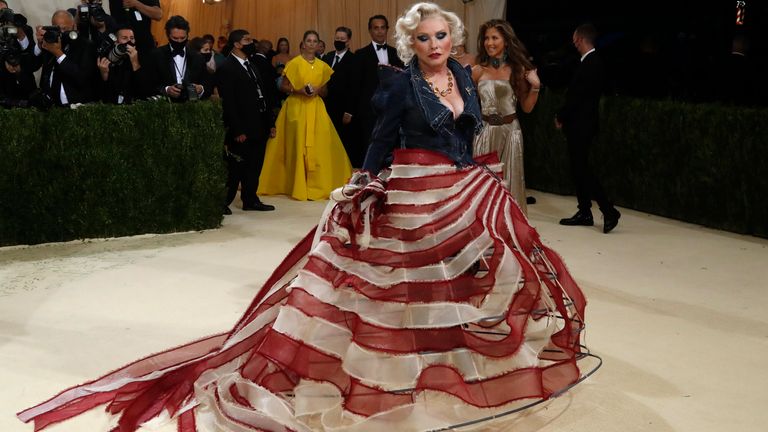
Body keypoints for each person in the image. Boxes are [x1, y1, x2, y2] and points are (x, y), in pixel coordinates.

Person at [17, 3, 589, 432]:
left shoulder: (464, 77)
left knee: (468, 269)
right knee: (402, 280)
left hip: (459, 185)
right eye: (425, 37)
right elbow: (380, 141)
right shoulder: (397, 84)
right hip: (413, 187)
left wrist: (474, 169)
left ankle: (451, 353)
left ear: (452, 38)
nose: (435, 43)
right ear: (411, 41)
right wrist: (365, 182)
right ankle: (398, 368)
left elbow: (466, 131)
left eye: (443, 35)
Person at [257, 30, 352, 201]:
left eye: (315, 41)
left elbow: (325, 91)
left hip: (316, 108)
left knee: (320, 144)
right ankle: (295, 183)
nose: (311, 43)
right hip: (296, 107)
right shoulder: (294, 63)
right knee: (297, 144)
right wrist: (298, 90)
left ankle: (317, 183)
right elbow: (283, 86)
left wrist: (318, 89)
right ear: (303, 43)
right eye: (309, 40)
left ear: (318, 44)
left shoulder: (323, 66)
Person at [555, 23, 620, 233]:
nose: (573, 44)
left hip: (581, 125)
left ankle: (608, 210)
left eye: (575, 40)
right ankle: (585, 211)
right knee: (578, 169)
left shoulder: (591, 63)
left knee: (583, 169)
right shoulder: (592, 62)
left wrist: (561, 115)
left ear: (580, 40)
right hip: (582, 124)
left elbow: (577, 97)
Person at [471, 19, 540, 215]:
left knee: (511, 181)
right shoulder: (477, 71)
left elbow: (526, 108)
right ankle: (482, 230)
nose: (489, 42)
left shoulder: (518, 70)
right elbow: (467, 106)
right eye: (486, 38)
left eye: (495, 38)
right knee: (483, 182)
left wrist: (535, 86)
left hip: (511, 133)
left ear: (506, 41)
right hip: (484, 132)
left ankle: (510, 228)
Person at [217, 29, 278, 213]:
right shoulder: (227, 67)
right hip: (242, 126)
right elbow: (229, 102)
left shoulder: (251, 64)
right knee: (236, 166)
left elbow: (263, 95)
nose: (251, 43)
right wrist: (237, 130)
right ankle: (222, 202)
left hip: (259, 123)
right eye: (247, 40)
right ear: (236, 44)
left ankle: (250, 199)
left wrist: (270, 123)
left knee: (255, 164)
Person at [354, 14, 405, 161]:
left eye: (383, 28)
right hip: (370, 111)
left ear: (387, 30)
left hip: (393, 110)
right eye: (376, 28)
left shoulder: (397, 53)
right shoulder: (360, 55)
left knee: (393, 149)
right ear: (370, 31)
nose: (380, 31)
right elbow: (358, 86)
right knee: (370, 148)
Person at [33, 10, 97, 106]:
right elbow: (31, 66)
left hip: (77, 106)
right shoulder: (49, 42)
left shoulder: (85, 45)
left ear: (74, 26)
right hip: (50, 106)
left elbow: (81, 77)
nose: (61, 33)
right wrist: (39, 45)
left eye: (64, 29)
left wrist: (58, 53)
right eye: (57, 29)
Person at [321, 26, 359, 165]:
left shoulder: (354, 59)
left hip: (343, 110)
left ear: (348, 41)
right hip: (326, 107)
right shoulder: (327, 57)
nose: (339, 41)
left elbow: (355, 88)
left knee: (343, 142)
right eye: (337, 38)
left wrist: (349, 111)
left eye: (342, 39)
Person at [148, 15, 209, 102]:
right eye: (175, 38)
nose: (179, 41)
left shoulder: (197, 57)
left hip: (191, 108)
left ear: (187, 35)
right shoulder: (157, 55)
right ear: (168, 36)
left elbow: (207, 83)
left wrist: (201, 89)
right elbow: (149, 83)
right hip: (164, 107)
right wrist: (167, 89)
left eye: (183, 38)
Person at [96, 26, 148, 104]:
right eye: (124, 38)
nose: (129, 41)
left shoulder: (142, 58)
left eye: (132, 38)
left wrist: (135, 62)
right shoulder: (106, 59)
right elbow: (103, 94)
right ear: (116, 42)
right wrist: (104, 75)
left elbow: (144, 90)